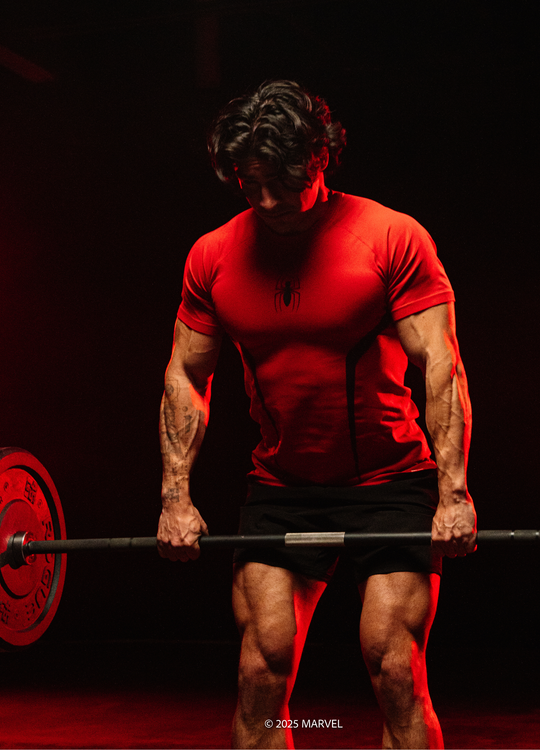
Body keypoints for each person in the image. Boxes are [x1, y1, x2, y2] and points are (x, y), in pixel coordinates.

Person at [157, 79, 476, 749]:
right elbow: (186, 374)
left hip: (390, 484)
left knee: (393, 666)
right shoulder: (212, 256)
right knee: (260, 669)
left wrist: (453, 493)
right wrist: (175, 498)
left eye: (282, 180)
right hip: (283, 488)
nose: (268, 200)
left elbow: (441, 366)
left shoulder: (391, 237)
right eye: (250, 184)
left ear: (320, 157)